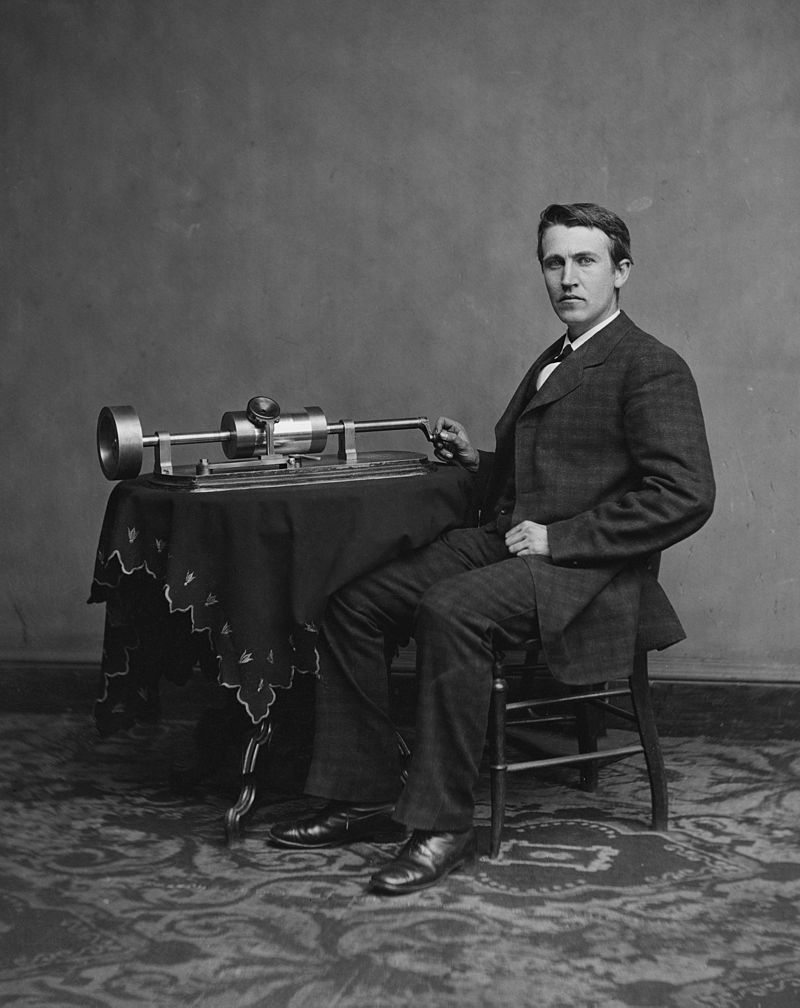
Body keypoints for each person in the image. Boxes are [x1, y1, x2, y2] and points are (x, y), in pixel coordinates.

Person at [268, 202, 715, 894]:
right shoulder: (558, 356)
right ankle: (362, 794)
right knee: (353, 603)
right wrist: (476, 460)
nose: (568, 277)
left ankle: (444, 825)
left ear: (622, 272)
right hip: (512, 541)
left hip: (585, 571)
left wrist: (562, 539)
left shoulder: (650, 366)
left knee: (451, 611)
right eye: (554, 261)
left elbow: (686, 494)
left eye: (586, 260)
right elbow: (551, 473)